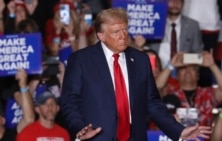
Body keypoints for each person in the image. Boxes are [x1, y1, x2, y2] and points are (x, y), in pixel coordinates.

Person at [60, 8, 211, 141]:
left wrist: (179, 131)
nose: (123, 36)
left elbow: (152, 103)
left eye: (125, 29)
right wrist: (80, 128)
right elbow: (69, 103)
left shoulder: (140, 60)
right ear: (101, 36)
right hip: (96, 137)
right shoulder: (81, 60)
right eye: (116, 32)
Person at [156, 52, 222, 126]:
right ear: (177, 76)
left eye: (192, 68)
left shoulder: (207, 94)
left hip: (203, 137)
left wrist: (212, 65)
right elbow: (156, 87)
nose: (188, 71)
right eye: (183, 68)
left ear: (198, 76)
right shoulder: (169, 93)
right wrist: (171, 65)